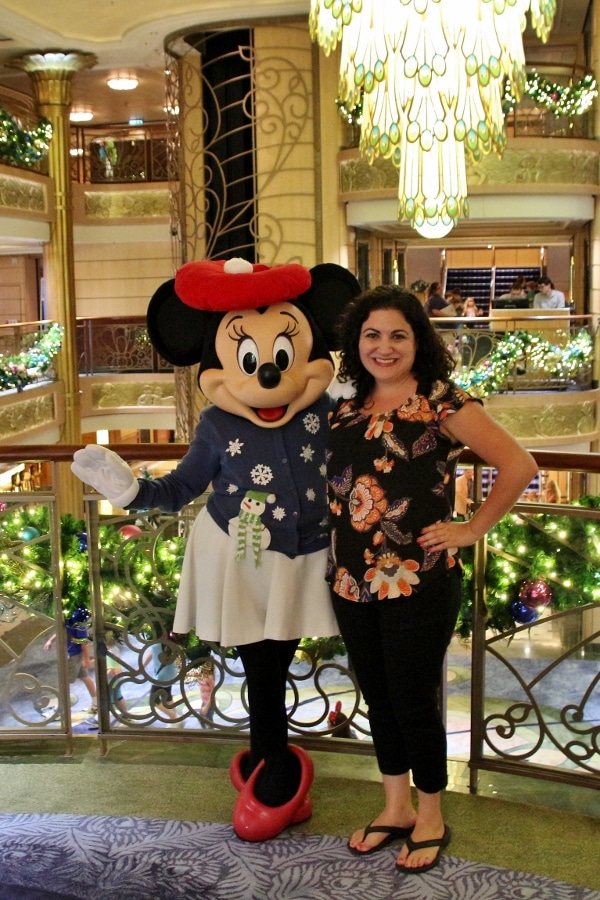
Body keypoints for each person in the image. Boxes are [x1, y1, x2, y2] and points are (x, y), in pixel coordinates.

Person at [71, 257, 360, 843]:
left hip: (305, 557)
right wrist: (131, 491)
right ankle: (272, 769)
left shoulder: (327, 416)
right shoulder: (216, 426)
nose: (270, 377)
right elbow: (181, 487)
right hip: (244, 560)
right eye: (251, 362)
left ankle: (270, 766)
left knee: (274, 663)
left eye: (281, 357)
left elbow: (359, 469)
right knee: (264, 665)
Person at [326, 285, 537, 874]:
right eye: (372, 335)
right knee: (379, 697)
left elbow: (519, 465)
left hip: (418, 578)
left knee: (414, 699)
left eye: (398, 334)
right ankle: (394, 806)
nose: (384, 346)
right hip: (349, 579)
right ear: (356, 342)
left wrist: (472, 527)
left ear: (418, 341)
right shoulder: (346, 404)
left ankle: (431, 814)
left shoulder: (440, 401)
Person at [44, 608, 97, 715]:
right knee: (84, 677)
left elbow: (84, 644)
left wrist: (86, 659)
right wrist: (51, 640)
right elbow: (63, 629)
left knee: (65, 681)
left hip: (73, 655)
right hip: (72, 653)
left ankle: (61, 709)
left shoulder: (79, 625)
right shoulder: (70, 616)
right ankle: (96, 703)